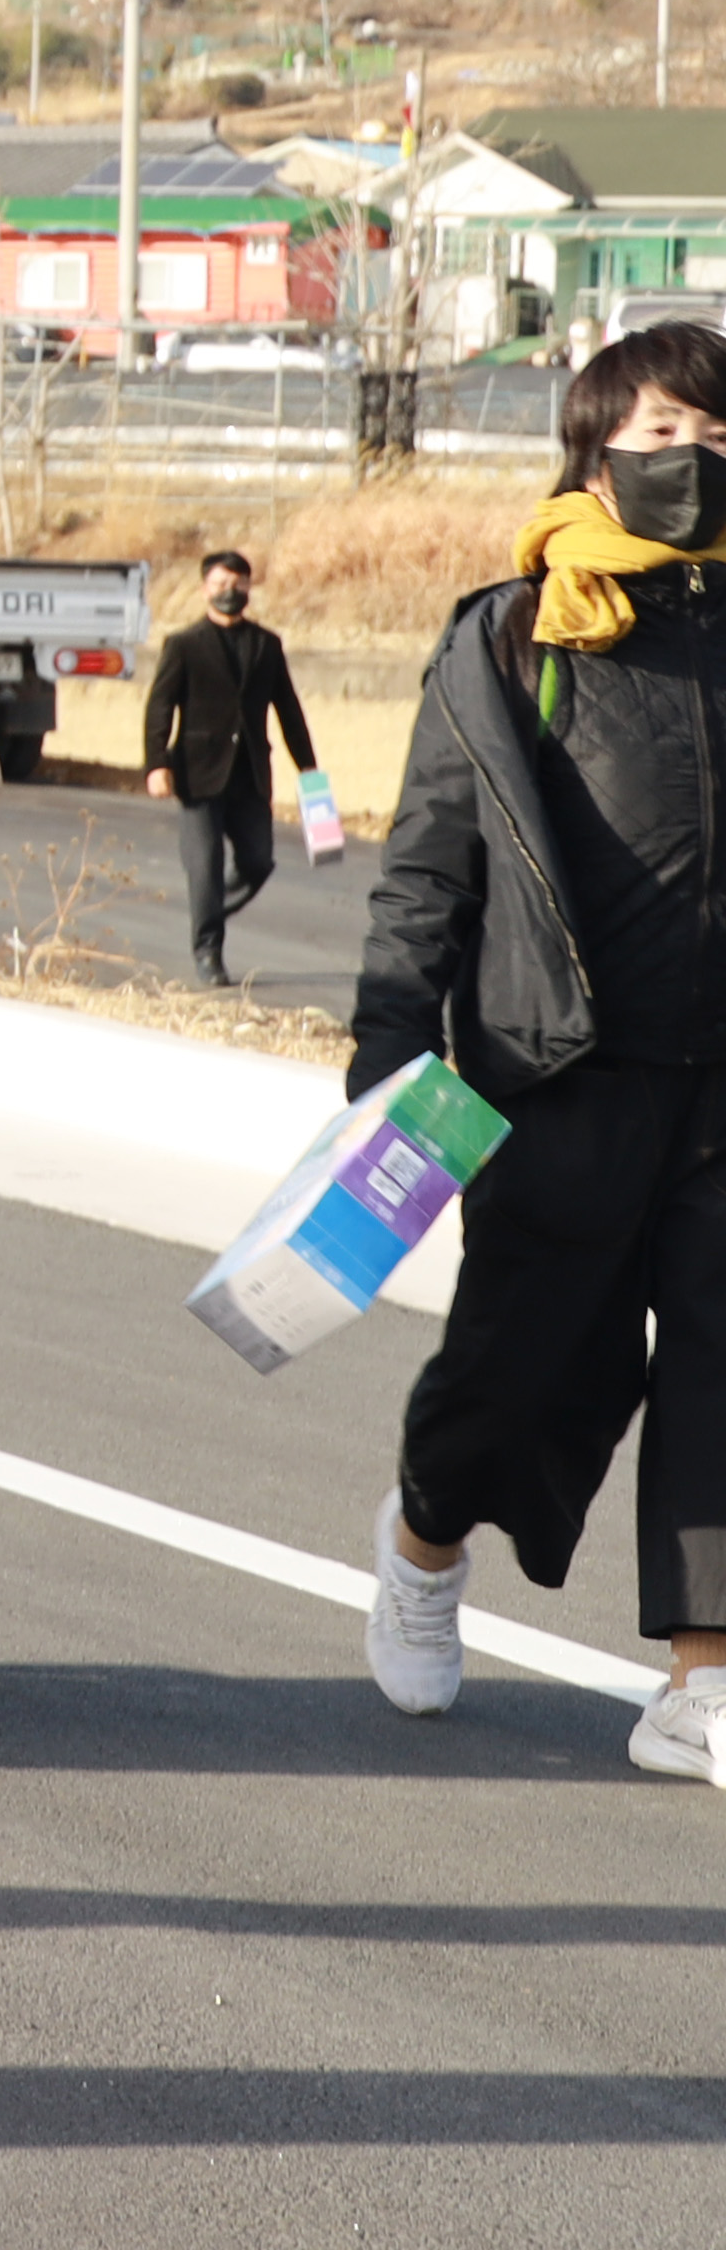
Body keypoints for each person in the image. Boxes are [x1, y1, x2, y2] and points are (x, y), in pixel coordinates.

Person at [352, 323, 726, 1769]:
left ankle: (700, 1683)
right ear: (594, 454)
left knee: (720, 1370)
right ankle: (425, 1539)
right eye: (665, 433)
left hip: (720, 1087)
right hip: (559, 1072)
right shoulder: (516, 636)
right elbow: (428, 866)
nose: (695, 459)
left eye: (719, 436)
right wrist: (393, 1049)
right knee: (529, 1363)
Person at [140, 546, 314, 991]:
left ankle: (208, 911)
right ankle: (208, 952)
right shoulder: (183, 645)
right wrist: (156, 764)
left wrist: (308, 767)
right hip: (197, 775)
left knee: (258, 861)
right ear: (204, 589)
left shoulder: (267, 645)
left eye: (237, 584)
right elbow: (159, 707)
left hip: (249, 774)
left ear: (249, 588)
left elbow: (288, 708)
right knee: (205, 865)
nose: (229, 591)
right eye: (220, 584)